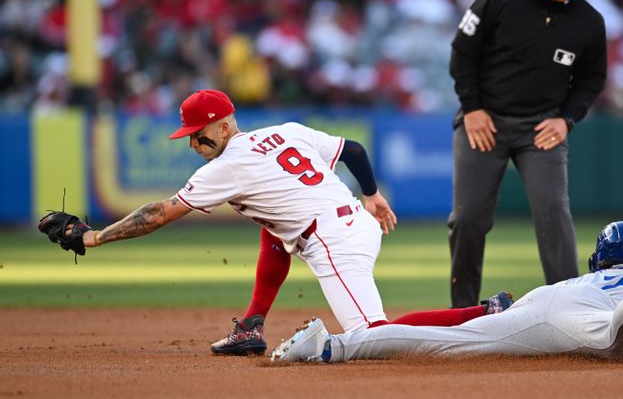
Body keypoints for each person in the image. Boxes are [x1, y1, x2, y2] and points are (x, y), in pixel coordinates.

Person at [64, 89, 513, 355]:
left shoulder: (226, 167)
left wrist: (96, 236)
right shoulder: (284, 132)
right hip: (353, 221)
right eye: (187, 137)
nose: (192, 144)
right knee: (274, 229)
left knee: (373, 336)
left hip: (336, 242)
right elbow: (353, 150)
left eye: (197, 135)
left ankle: (484, 311)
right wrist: (373, 196)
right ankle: (252, 326)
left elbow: (160, 213)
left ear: (222, 127)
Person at [269, 221, 623, 363]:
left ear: (600, 260)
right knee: (618, 347)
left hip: (550, 301)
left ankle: (328, 345)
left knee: (445, 344)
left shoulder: (587, 275)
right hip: (600, 316)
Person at [447, 0, 607, 307]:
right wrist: (472, 108)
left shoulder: (588, 22)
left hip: (541, 129)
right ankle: (463, 311)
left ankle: (571, 309)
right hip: (485, 122)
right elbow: (462, 53)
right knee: (468, 218)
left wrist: (567, 120)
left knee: (554, 211)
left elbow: (591, 80)